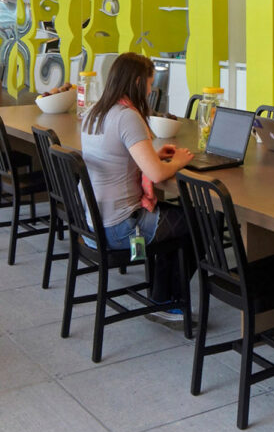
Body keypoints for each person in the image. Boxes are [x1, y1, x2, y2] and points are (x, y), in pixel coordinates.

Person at [80, 53, 195, 318]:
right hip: (120, 228)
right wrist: (177, 161)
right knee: (200, 222)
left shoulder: (94, 111)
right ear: (136, 81)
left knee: (178, 219)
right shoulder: (126, 116)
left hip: (93, 223)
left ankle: (161, 294)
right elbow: (155, 174)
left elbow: (121, 153)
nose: (151, 89)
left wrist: (155, 153)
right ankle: (168, 302)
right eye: (149, 83)